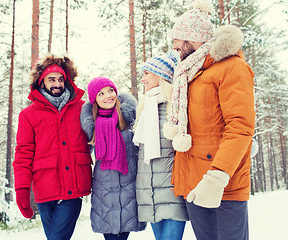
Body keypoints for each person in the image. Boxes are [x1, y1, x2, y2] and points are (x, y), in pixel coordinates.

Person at [163, 0, 256, 239]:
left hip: (222, 184)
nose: (174, 45)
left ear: (193, 39)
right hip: (193, 186)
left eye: (178, 39)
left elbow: (240, 127)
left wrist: (217, 177)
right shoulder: (189, 74)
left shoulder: (231, 68)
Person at [13, 54, 93, 240]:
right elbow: (23, 154)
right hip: (45, 187)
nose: (57, 83)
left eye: (61, 79)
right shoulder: (28, 115)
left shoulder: (82, 108)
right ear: (41, 82)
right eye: (51, 79)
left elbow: (98, 135)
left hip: (74, 186)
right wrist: (22, 189)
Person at [80, 77, 146, 240]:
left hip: (129, 190)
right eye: (101, 93)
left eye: (110, 91)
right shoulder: (91, 125)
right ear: (94, 99)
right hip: (104, 194)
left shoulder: (131, 120)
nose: (107, 96)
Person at [133, 51, 189, 240]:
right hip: (149, 194)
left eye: (147, 73)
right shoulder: (144, 108)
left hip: (173, 192)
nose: (143, 79)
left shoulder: (175, 107)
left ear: (161, 75)